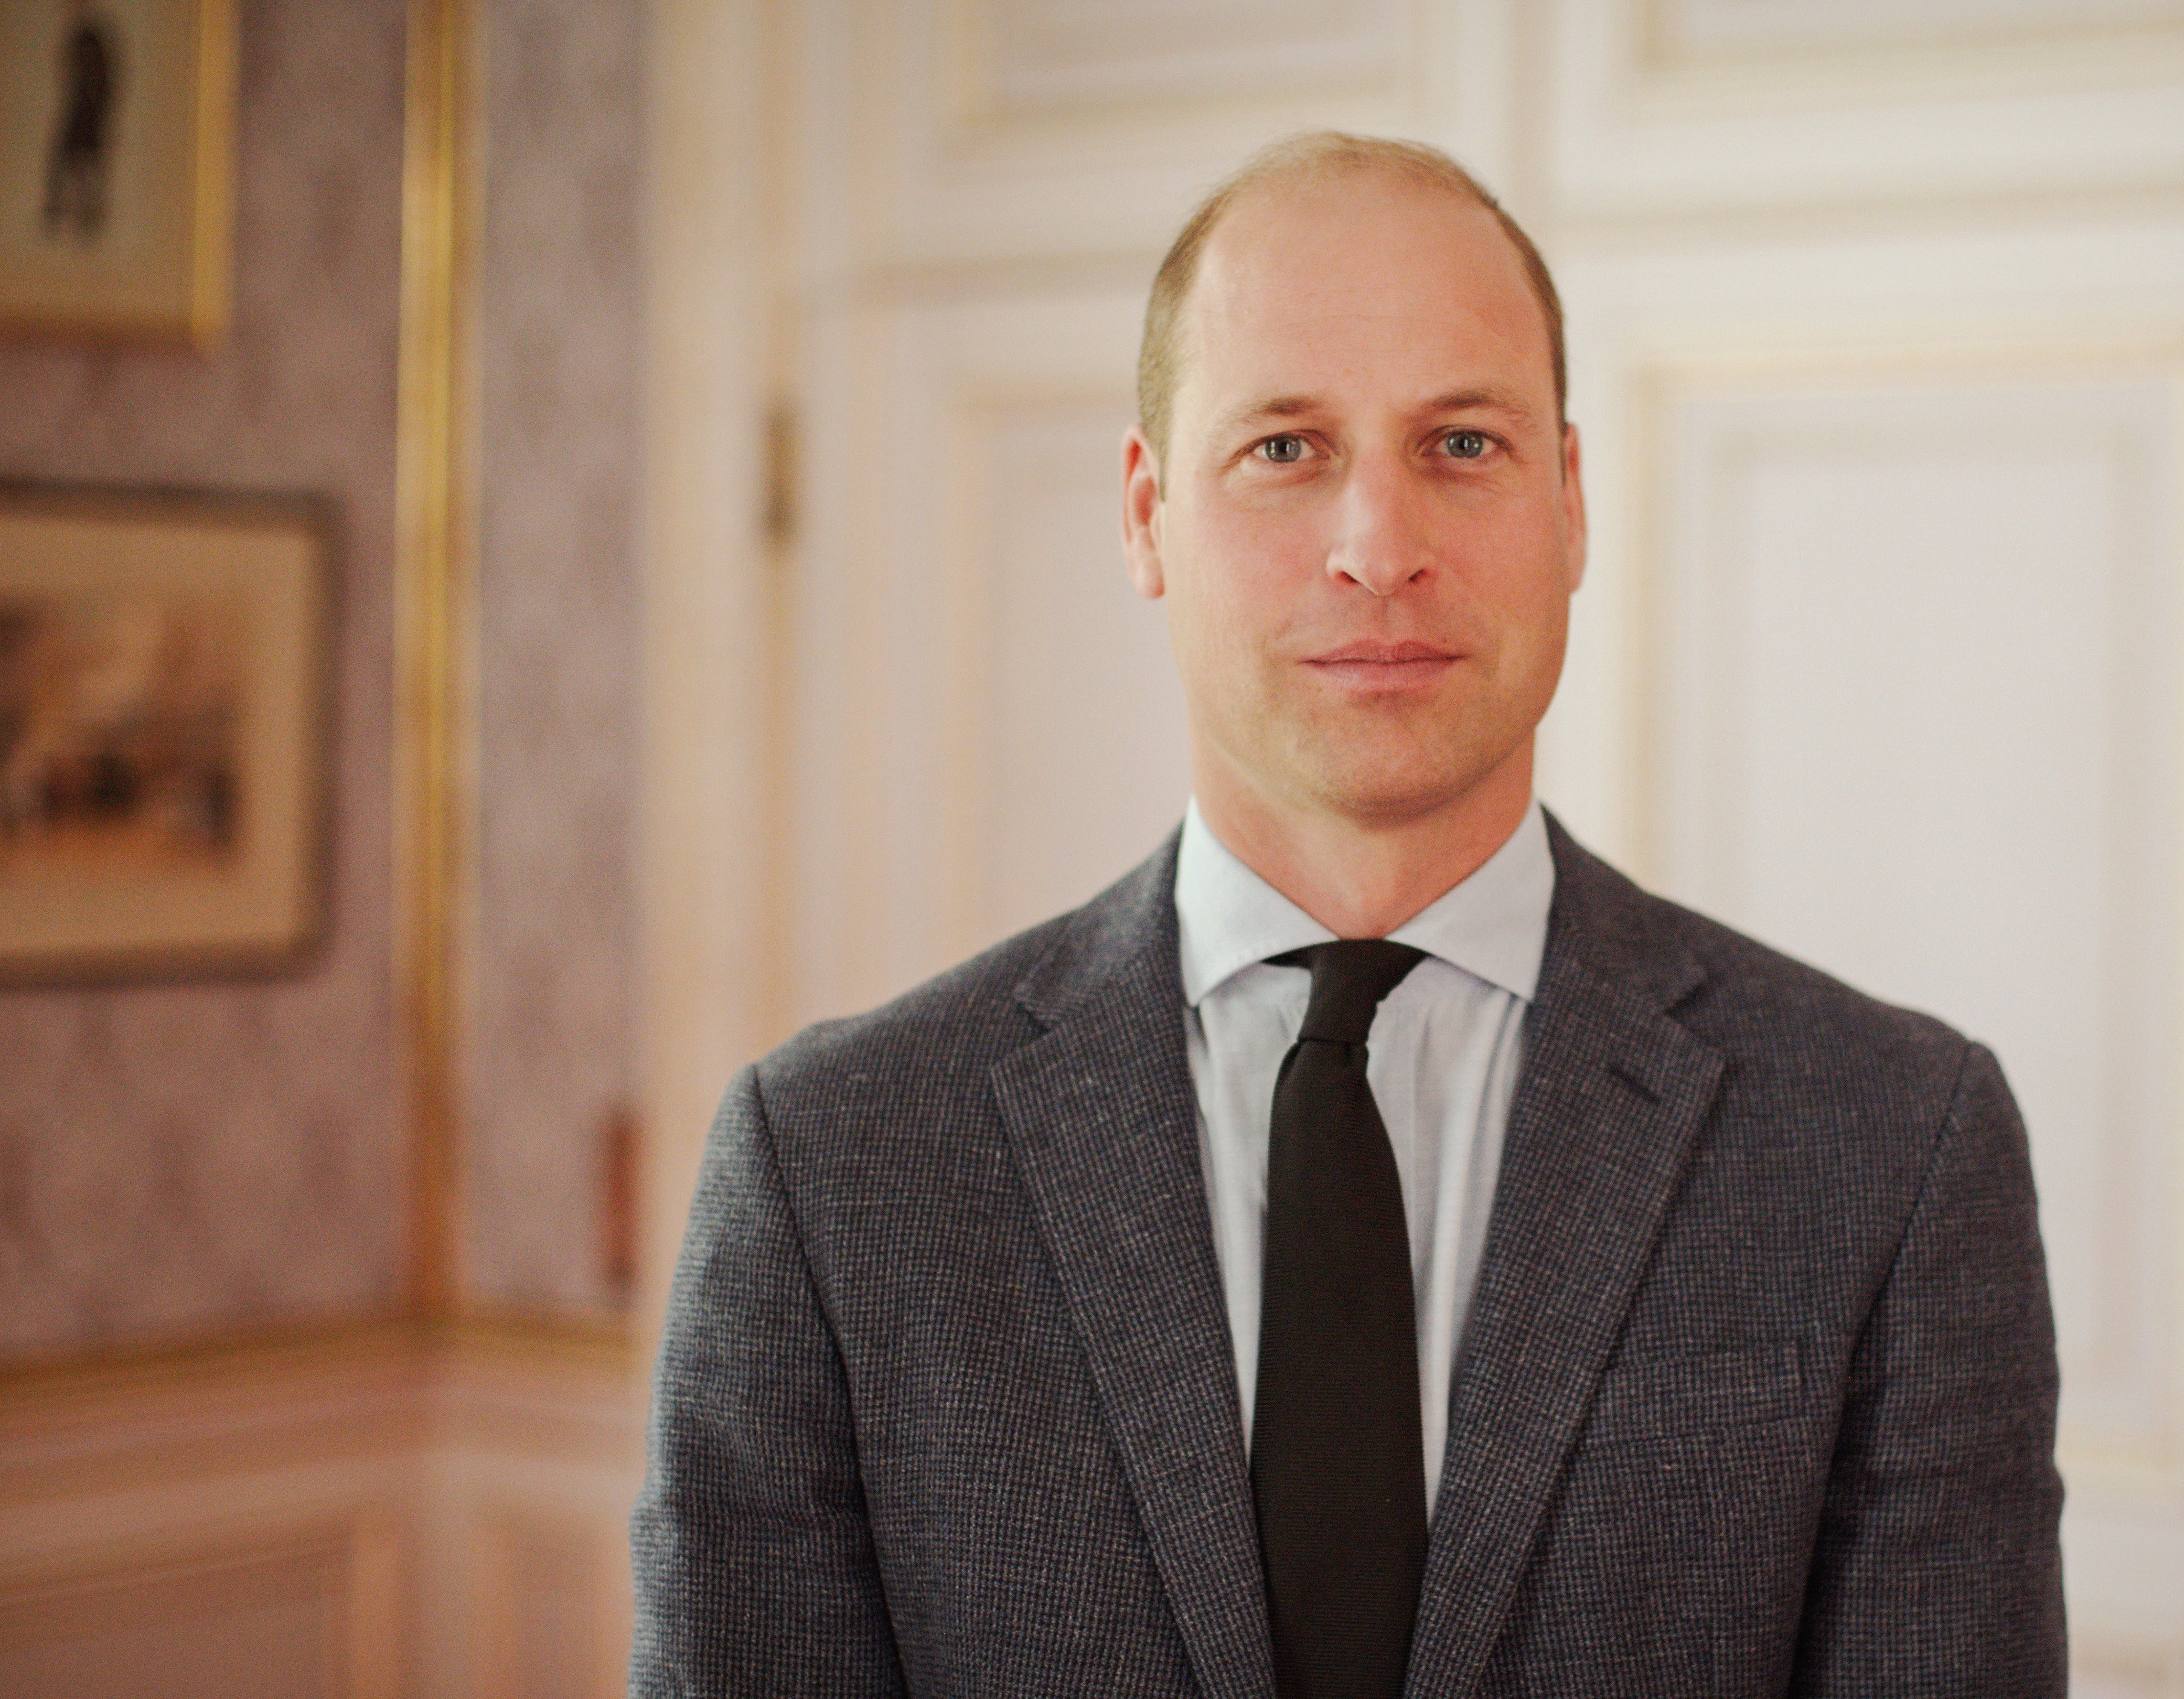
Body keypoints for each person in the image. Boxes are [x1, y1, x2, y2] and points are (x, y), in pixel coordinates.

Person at [632, 131, 2063, 1698]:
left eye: (1461, 443)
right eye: (1284, 448)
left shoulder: (1894, 1146)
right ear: (1146, 513)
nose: (1380, 550)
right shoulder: (830, 1169)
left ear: (1571, 501)